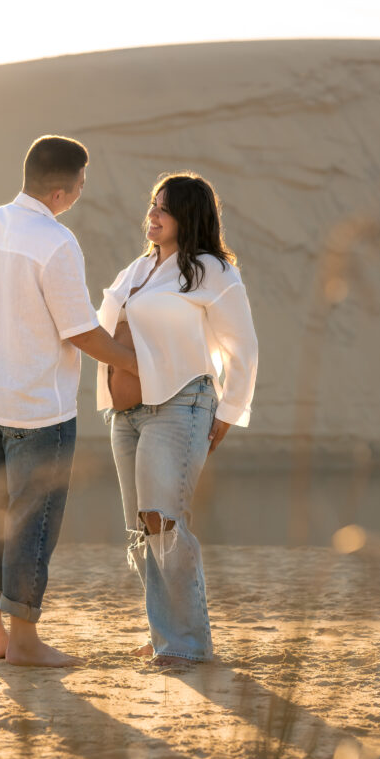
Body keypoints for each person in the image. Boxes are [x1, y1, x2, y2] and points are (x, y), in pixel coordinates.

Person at [0, 135, 137, 667]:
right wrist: (134, 362)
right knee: (34, 520)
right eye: (81, 182)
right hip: (36, 408)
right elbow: (81, 331)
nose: (80, 191)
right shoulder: (56, 242)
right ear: (63, 189)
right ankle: (25, 641)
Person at [97, 172, 258, 666]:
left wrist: (228, 414)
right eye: (152, 205)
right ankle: (165, 633)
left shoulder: (212, 271)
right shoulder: (136, 270)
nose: (153, 215)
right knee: (142, 528)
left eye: (164, 208)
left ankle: (186, 644)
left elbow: (243, 350)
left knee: (164, 521)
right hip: (125, 415)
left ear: (188, 216)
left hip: (181, 404)